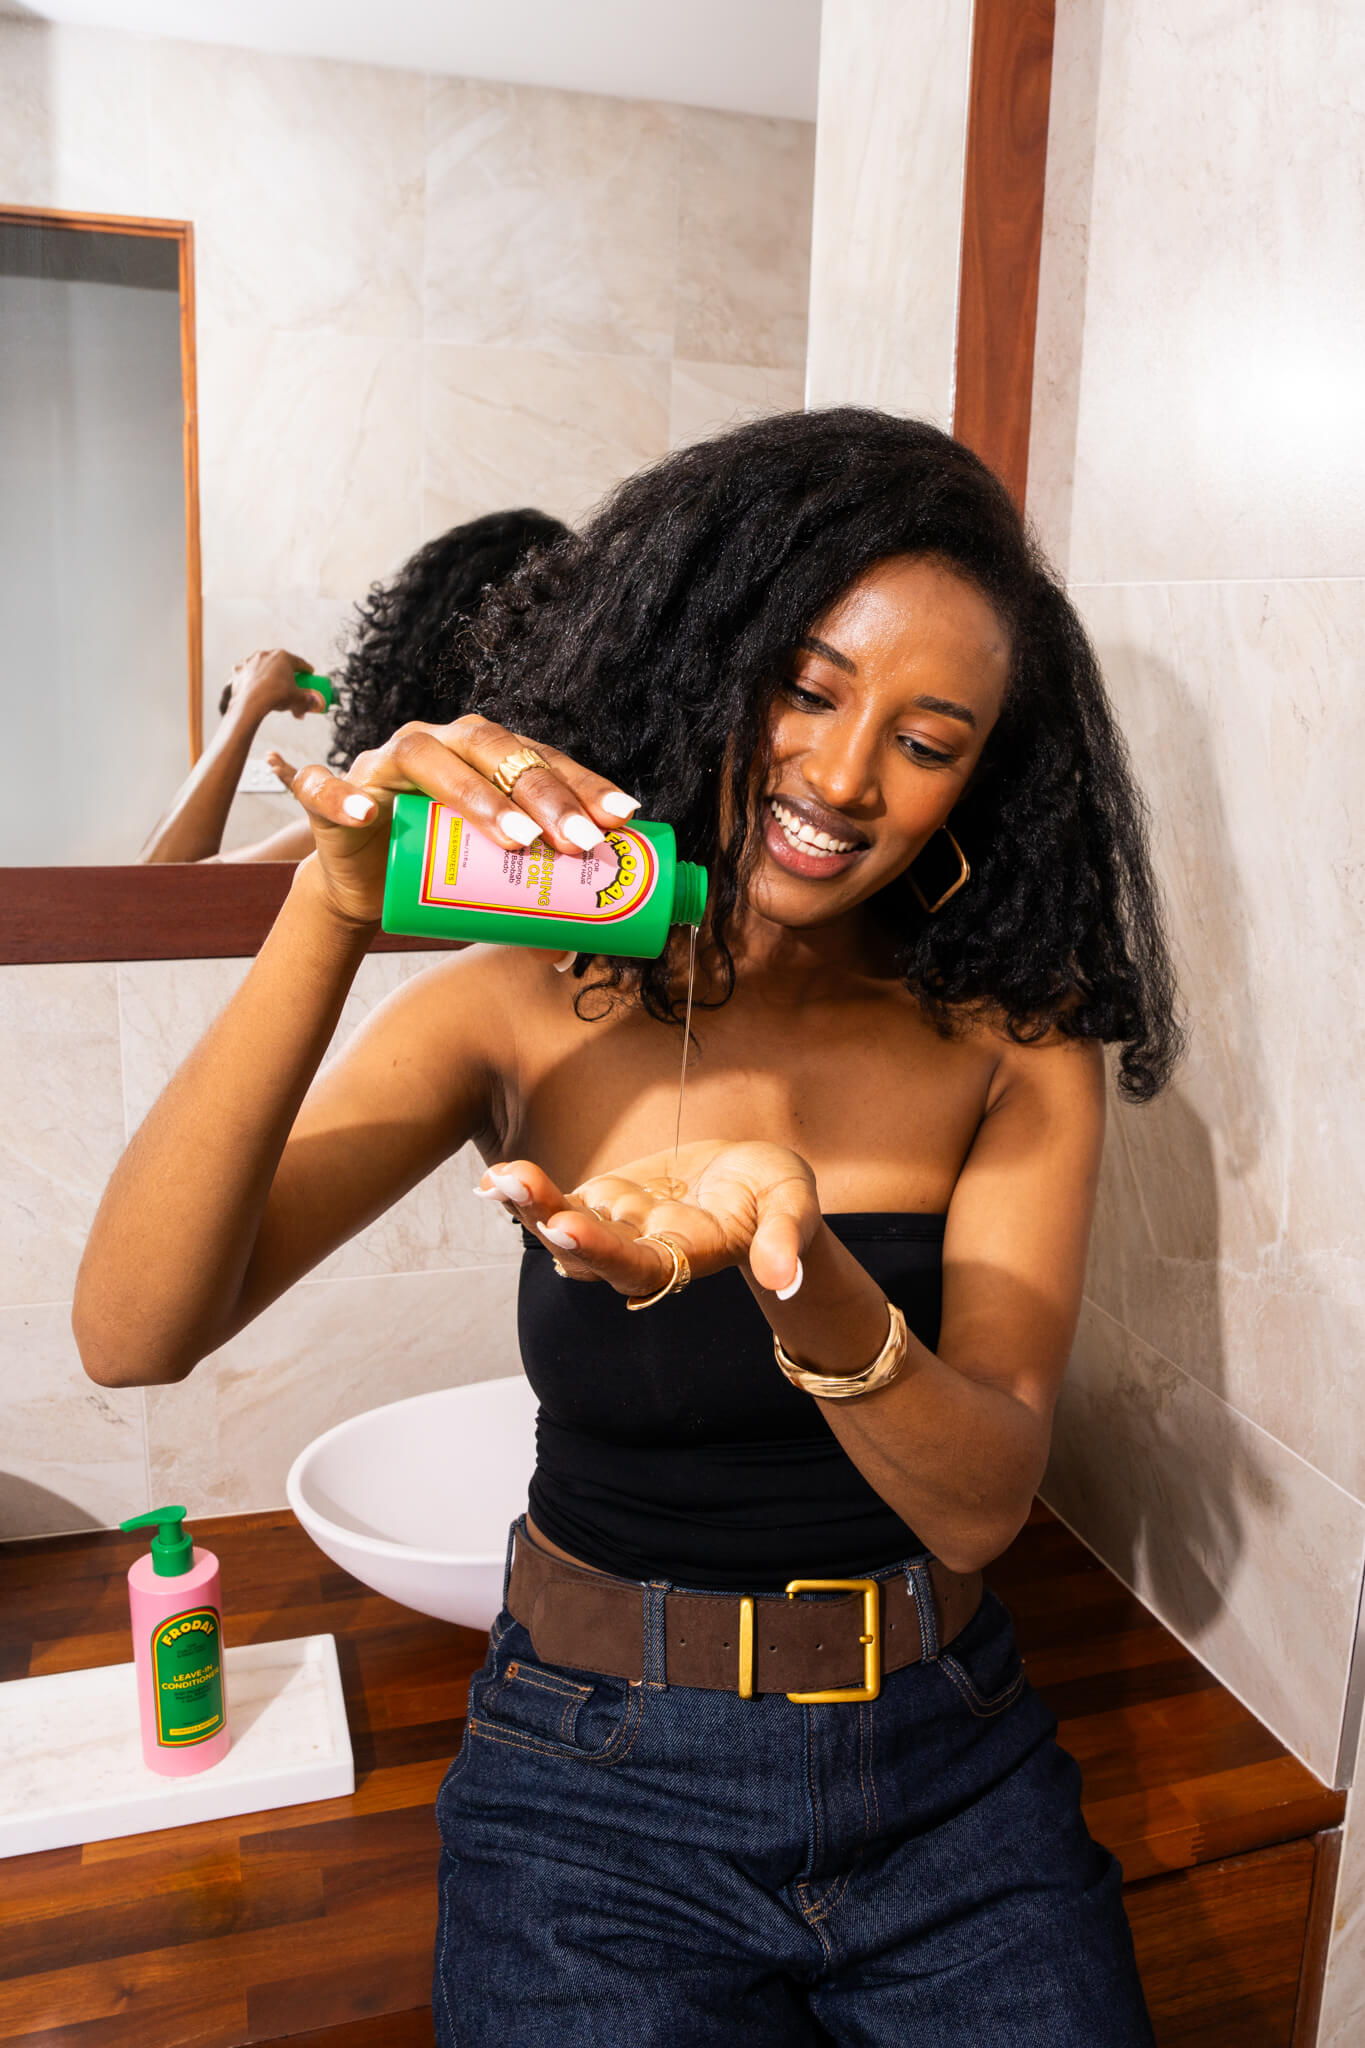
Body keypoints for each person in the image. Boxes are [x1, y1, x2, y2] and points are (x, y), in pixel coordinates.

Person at [76, 410, 1180, 2045]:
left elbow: (979, 1503)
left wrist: (803, 1278)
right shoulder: (524, 1008)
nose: (845, 772)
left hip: (950, 1768)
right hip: (595, 1785)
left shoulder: (1013, 1048)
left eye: (928, 736)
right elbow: (134, 1329)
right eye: (807, 687)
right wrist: (332, 903)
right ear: (707, 655)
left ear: (979, 779)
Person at [138, 508, 569, 863]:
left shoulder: (395, 819)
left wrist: (248, 705)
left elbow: (155, 892)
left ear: (422, 641)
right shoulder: (574, 809)